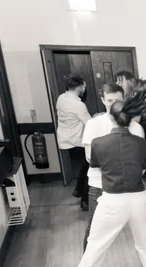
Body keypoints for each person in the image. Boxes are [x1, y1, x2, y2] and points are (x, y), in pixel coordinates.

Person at [70, 88, 146, 267]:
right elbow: (144, 170)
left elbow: (96, 166)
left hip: (111, 198)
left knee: (96, 243)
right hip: (138, 198)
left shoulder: (99, 143)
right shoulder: (140, 142)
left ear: (111, 117)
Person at [79, 83, 145, 267]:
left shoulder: (135, 127)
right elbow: (91, 157)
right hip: (100, 185)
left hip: (130, 186)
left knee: (142, 225)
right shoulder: (94, 125)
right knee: (94, 230)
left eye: (117, 101)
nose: (113, 105)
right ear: (102, 100)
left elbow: (139, 160)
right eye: (109, 101)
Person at [55, 75, 91, 210]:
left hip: (66, 140)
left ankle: (78, 190)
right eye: (84, 87)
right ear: (81, 87)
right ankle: (85, 200)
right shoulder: (78, 105)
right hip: (77, 141)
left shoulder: (61, 98)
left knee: (84, 167)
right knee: (89, 169)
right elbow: (88, 123)